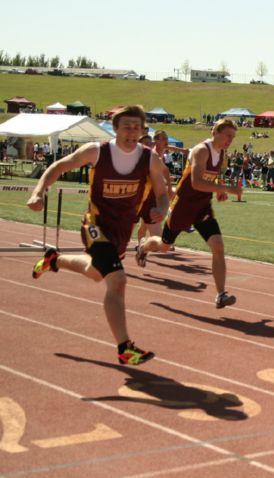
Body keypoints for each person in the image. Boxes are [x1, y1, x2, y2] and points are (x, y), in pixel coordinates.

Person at [27, 105, 170, 365]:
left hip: (122, 229)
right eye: (126, 126)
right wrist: (39, 192)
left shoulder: (149, 159)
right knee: (117, 281)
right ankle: (125, 348)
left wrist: (161, 210)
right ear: (115, 129)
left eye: (136, 127)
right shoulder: (97, 151)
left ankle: (54, 260)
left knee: (96, 273)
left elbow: (162, 194)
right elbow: (58, 167)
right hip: (95, 224)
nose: (131, 132)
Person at [136, 118, 242, 309]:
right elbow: (196, 182)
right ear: (215, 133)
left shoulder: (222, 153)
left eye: (232, 137)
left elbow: (210, 177)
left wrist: (218, 190)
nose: (230, 140)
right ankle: (143, 246)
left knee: (218, 246)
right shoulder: (201, 150)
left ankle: (221, 294)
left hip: (202, 207)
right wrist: (226, 188)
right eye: (227, 135)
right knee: (164, 246)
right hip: (183, 207)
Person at [135, 131, 174, 243]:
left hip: (151, 197)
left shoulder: (154, 156)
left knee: (148, 226)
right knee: (139, 227)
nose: (166, 141)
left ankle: (142, 246)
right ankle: (141, 244)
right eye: (164, 138)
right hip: (135, 199)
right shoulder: (139, 156)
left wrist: (168, 185)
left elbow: (164, 170)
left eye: (167, 138)